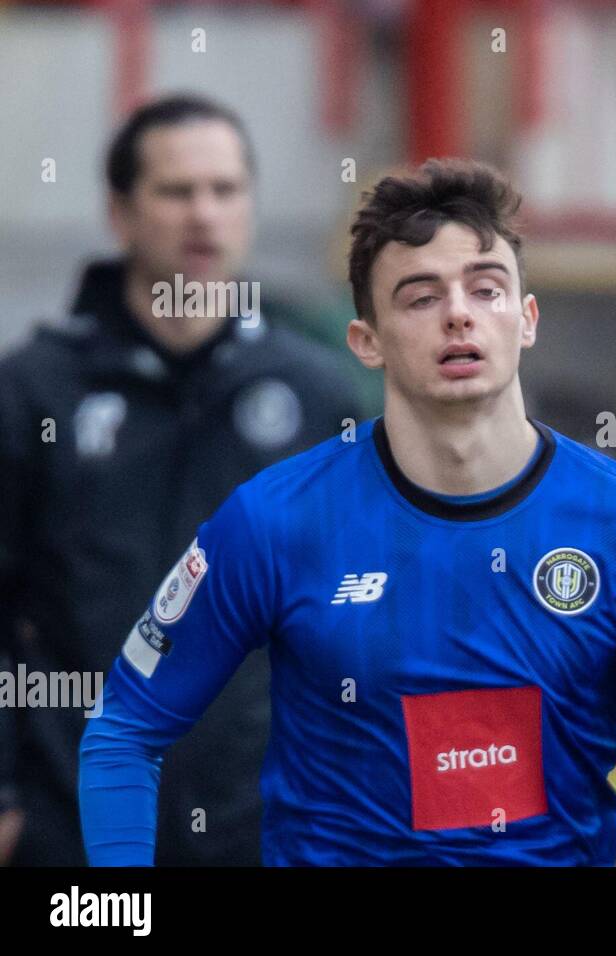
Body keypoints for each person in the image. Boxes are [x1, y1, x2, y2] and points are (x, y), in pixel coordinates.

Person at [79, 159, 616, 866]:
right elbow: (124, 731)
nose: (459, 312)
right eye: (421, 298)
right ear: (367, 341)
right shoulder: (275, 521)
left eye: (487, 289)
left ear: (527, 319)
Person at [0, 93, 361, 866]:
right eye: (176, 191)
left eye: (225, 190)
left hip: (263, 827)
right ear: (120, 212)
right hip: (72, 829)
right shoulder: (32, 392)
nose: (205, 214)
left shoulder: (321, 397)